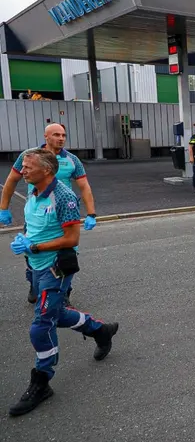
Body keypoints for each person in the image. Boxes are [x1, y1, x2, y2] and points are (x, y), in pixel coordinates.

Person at [7, 148, 118, 417]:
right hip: (35, 265)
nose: (23, 171)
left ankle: (41, 382)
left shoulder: (64, 197)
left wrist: (34, 246)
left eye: (28, 167)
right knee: (56, 314)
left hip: (56, 268)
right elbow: (34, 225)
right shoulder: (33, 192)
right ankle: (100, 331)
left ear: (46, 170)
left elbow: (72, 239)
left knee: (40, 327)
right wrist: (24, 239)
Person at [0, 123, 97, 306]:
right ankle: (34, 283)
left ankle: (63, 291)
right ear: (46, 137)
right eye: (56, 135)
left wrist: (91, 213)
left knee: (66, 252)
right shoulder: (29, 156)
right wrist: (3, 208)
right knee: (30, 252)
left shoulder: (72, 160)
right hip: (36, 215)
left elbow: (84, 186)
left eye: (63, 135)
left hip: (62, 213)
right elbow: (11, 180)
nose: (61, 138)